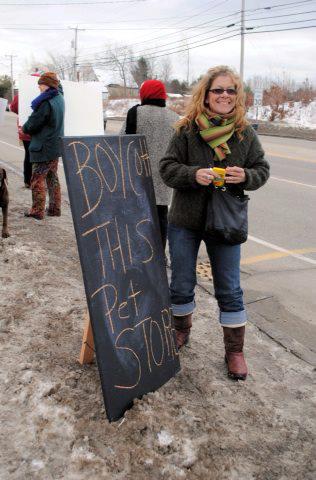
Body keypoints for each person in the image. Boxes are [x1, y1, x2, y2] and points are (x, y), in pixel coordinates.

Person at [159, 65, 270, 380]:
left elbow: (262, 169)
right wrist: (193, 174)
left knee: (230, 288)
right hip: (185, 220)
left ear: (237, 96)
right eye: (218, 90)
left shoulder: (244, 133)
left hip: (226, 222)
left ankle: (234, 351)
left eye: (230, 90)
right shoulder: (186, 130)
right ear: (206, 96)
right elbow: (166, 168)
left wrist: (246, 175)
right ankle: (181, 330)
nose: (224, 95)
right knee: (180, 281)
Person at [120, 79, 179, 251]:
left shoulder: (135, 113)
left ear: (144, 94)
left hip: (138, 177)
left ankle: (137, 253)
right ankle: (158, 256)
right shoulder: (174, 117)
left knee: (137, 218)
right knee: (161, 217)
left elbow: (122, 141)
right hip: (163, 178)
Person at [22, 72, 65, 220]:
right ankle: (54, 209)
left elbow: (33, 123)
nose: (39, 87)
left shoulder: (46, 102)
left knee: (37, 179)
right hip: (54, 146)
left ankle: (37, 211)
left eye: (40, 84)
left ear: (47, 84)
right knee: (52, 178)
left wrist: (24, 128)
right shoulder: (60, 98)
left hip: (43, 147)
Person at [10, 94, 32, 188]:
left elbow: (13, 106)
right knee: (40, 157)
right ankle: (38, 181)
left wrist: (22, 112)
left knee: (28, 154)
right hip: (38, 131)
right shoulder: (43, 86)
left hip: (24, 127)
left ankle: (27, 181)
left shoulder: (23, 87)